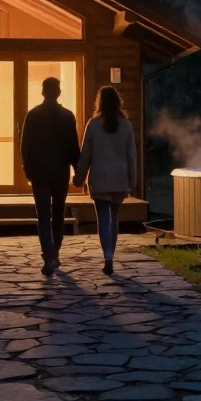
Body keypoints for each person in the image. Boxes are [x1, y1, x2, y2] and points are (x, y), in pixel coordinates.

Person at [21, 77, 81, 276]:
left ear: (43, 92)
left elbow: (25, 145)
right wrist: (78, 171)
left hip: (39, 171)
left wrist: (27, 168)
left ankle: (48, 255)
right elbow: (73, 147)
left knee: (43, 215)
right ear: (58, 92)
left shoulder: (33, 115)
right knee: (58, 213)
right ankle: (55, 253)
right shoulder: (67, 116)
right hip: (60, 171)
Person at [73, 86, 136, 275]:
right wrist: (132, 181)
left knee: (103, 219)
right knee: (114, 219)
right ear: (118, 102)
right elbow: (132, 156)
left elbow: (86, 155)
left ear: (99, 102)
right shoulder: (126, 125)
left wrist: (79, 177)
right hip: (119, 179)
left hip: (100, 179)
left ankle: (107, 256)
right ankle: (111, 255)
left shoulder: (93, 124)